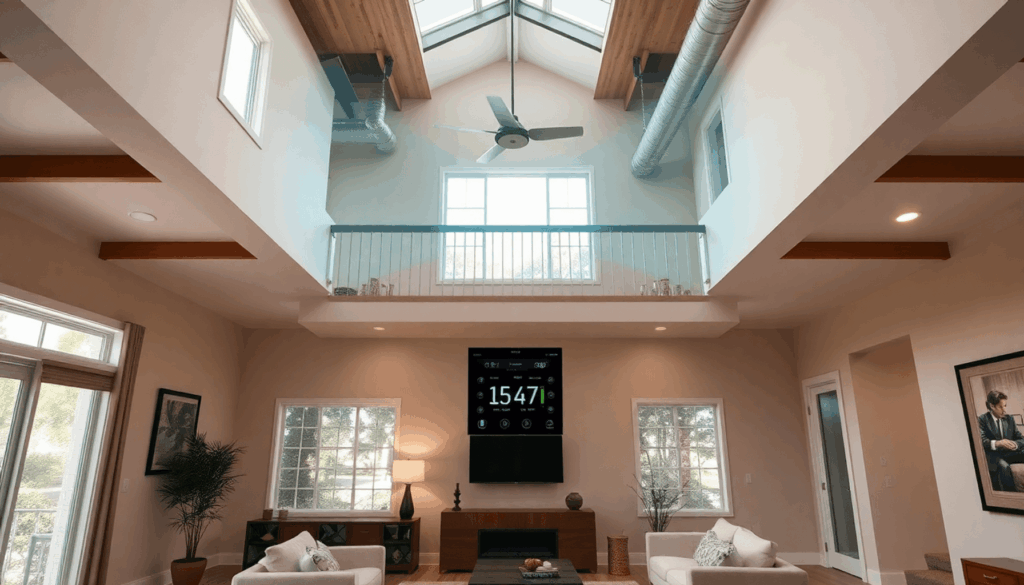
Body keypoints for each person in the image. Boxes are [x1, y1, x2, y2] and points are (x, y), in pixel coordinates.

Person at [978, 390, 1024, 491]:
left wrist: (1015, 444)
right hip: (994, 456)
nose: (1004, 410)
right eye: (1001, 407)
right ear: (992, 406)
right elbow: (981, 441)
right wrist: (999, 443)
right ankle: (1011, 499)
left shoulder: (1009, 419)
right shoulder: (982, 420)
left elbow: (1021, 438)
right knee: (1004, 467)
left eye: (1005, 406)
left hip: (1011, 453)